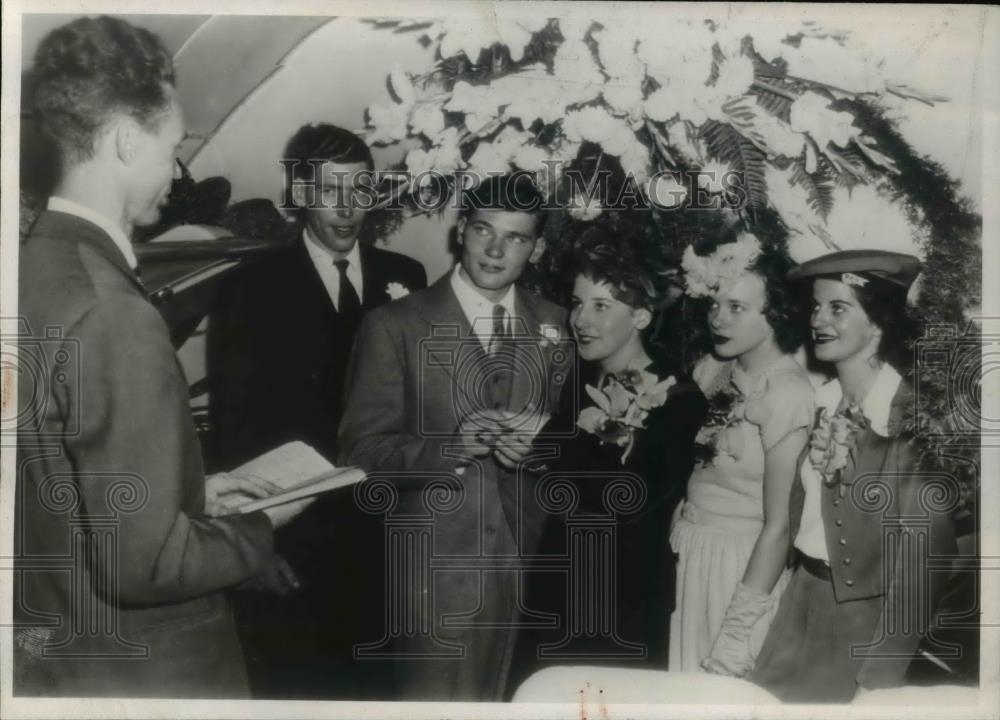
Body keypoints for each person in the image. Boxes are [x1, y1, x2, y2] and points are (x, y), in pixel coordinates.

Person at [14, 16, 310, 698]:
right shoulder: (115, 311)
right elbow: (144, 565)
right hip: (144, 671)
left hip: (54, 650)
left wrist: (194, 494)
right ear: (124, 141)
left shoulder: (31, 270)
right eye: (172, 146)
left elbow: (56, 481)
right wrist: (258, 525)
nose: (176, 172)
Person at [207, 124, 426, 698]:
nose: (349, 208)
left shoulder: (408, 278)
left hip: (386, 541)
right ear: (301, 193)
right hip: (296, 545)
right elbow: (234, 434)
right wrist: (253, 548)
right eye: (331, 191)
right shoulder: (247, 290)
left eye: (361, 189)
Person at [337, 174, 572, 701]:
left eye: (516, 238)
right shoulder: (394, 324)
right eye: (484, 230)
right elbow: (359, 454)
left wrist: (541, 453)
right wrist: (450, 448)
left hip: (533, 576)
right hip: (434, 580)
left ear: (537, 248)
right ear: (460, 230)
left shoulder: (559, 326)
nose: (495, 249)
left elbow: (575, 451)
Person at [749, 250, 958, 702]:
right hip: (799, 602)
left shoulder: (912, 422)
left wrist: (878, 678)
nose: (818, 319)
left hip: (862, 629)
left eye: (838, 308)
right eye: (816, 306)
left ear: (879, 323)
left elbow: (923, 566)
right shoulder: (825, 400)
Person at [514, 222, 707, 684]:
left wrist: (547, 450)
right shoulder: (581, 380)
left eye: (602, 306)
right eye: (579, 304)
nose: (581, 320)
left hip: (623, 601)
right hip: (557, 587)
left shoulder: (679, 399)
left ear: (641, 317)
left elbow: (629, 499)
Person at [668, 232, 815, 676]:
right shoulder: (710, 369)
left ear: (776, 315)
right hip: (686, 554)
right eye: (715, 304)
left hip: (741, 569)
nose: (719, 319)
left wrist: (736, 632)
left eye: (737, 308)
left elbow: (779, 525)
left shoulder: (788, 391)